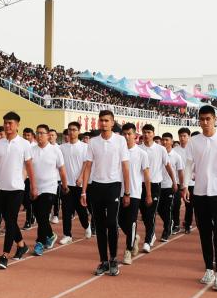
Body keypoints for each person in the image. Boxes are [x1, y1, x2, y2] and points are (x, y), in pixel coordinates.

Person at [183, 106, 217, 291]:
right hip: (200, 192)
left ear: (215, 119)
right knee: (204, 232)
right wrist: (185, 186)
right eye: (202, 119)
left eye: (208, 119)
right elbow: (188, 164)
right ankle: (208, 269)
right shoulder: (193, 141)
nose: (205, 122)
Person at [80, 110, 130, 277]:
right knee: (100, 226)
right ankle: (103, 261)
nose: (103, 123)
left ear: (112, 122)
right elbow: (88, 166)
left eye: (107, 120)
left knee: (111, 222)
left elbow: (125, 167)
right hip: (96, 186)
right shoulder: (93, 142)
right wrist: (83, 192)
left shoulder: (120, 140)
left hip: (114, 185)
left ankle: (114, 258)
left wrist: (127, 192)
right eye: (101, 120)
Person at [0, 111, 35, 269]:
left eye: (10, 123)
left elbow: (29, 166)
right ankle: (21, 245)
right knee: (9, 220)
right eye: (5, 123)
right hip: (1, 187)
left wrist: (33, 185)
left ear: (17, 125)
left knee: (11, 220)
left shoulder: (24, 144)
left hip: (17, 188)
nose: (7, 126)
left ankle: (4, 255)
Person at [29, 125, 68, 255]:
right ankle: (50, 235)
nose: (39, 135)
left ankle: (39, 243)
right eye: (37, 133)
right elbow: (26, 169)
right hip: (35, 187)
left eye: (42, 133)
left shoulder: (55, 150)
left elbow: (62, 170)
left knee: (43, 214)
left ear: (48, 135)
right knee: (39, 216)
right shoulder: (31, 150)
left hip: (50, 187)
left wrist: (65, 185)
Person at [118, 123, 151, 266]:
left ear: (135, 135)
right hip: (118, 191)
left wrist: (148, 194)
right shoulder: (118, 151)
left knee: (131, 221)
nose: (126, 136)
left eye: (129, 134)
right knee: (118, 220)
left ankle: (128, 250)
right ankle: (134, 238)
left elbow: (147, 175)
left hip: (135, 192)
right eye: (124, 134)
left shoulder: (142, 153)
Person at [58, 121, 91, 244]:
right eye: (70, 130)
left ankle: (86, 225)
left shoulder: (84, 147)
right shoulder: (62, 147)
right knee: (66, 210)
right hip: (66, 184)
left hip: (79, 184)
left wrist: (81, 177)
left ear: (78, 131)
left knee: (81, 210)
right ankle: (67, 234)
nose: (71, 132)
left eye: (74, 130)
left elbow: (86, 163)